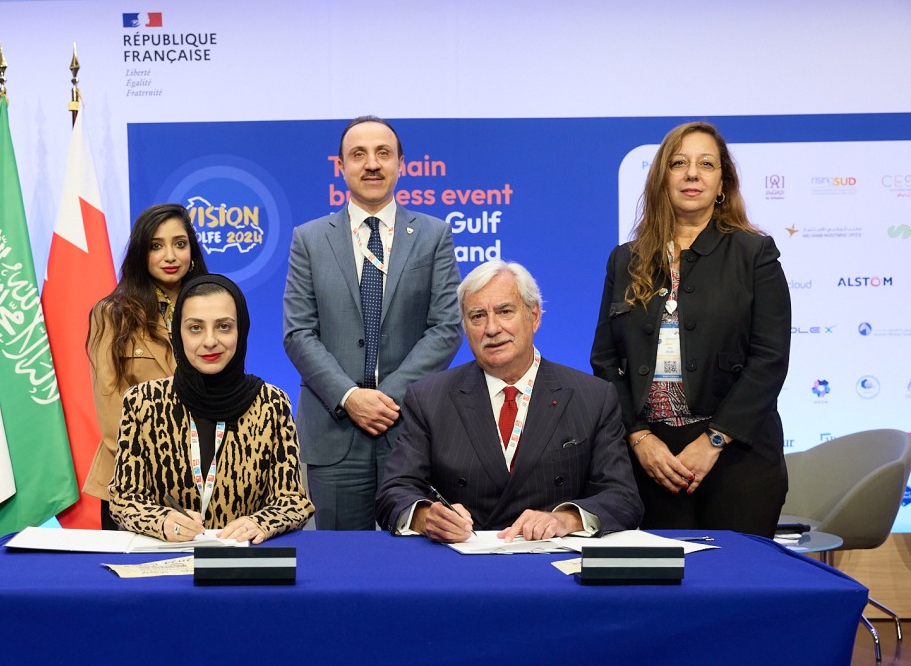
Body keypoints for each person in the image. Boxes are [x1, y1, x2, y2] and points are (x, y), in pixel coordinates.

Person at [590, 121, 791, 537]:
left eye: (706, 163)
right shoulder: (625, 259)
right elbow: (606, 360)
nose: (692, 173)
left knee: (734, 588)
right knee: (661, 594)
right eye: (679, 163)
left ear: (722, 182)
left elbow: (769, 360)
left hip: (738, 457)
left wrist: (714, 441)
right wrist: (639, 438)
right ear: (662, 178)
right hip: (650, 460)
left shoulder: (755, 254)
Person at [376, 260, 642, 542]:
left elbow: (623, 498)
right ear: (465, 328)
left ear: (534, 316)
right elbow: (393, 493)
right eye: (477, 316)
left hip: (553, 564)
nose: (492, 328)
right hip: (461, 564)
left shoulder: (593, 396)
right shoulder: (428, 397)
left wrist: (565, 519)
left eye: (505, 311)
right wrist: (426, 517)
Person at [283, 116, 462, 530]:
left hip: (410, 429)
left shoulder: (434, 235)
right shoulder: (308, 239)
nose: (372, 164)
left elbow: (445, 328)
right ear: (340, 167)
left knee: (414, 565)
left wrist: (385, 399)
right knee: (339, 567)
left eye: (383, 153)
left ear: (402, 163)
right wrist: (350, 397)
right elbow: (298, 333)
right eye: (358, 154)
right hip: (334, 429)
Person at [109, 274, 314, 542]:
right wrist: (159, 521)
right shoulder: (143, 402)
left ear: (242, 330)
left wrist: (261, 522)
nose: (209, 341)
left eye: (224, 327)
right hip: (165, 564)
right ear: (177, 332)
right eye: (195, 328)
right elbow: (122, 498)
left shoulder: (271, 403)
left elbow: (293, 501)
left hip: (244, 566)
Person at [84, 203, 209, 529]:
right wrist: (163, 472)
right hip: (132, 485)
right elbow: (113, 414)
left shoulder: (213, 308)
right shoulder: (112, 314)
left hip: (204, 480)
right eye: (157, 246)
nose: (170, 256)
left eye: (180, 244)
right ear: (141, 253)